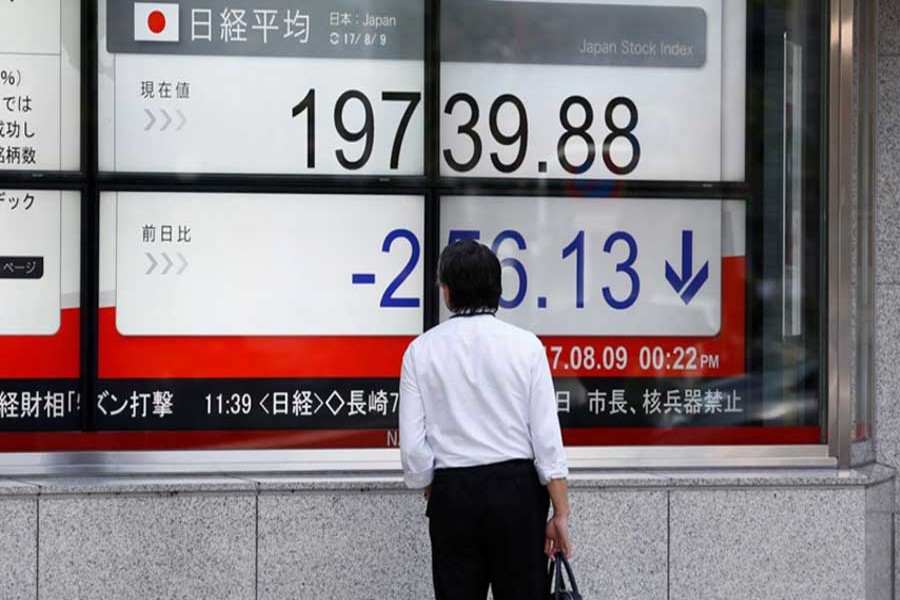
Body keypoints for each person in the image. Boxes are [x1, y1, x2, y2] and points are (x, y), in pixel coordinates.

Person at [399, 239, 572, 600]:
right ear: (499, 290)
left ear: (446, 293)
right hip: (518, 495)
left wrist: (432, 484)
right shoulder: (527, 346)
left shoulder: (421, 351)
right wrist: (561, 512)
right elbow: (546, 440)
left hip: (453, 495)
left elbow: (414, 448)